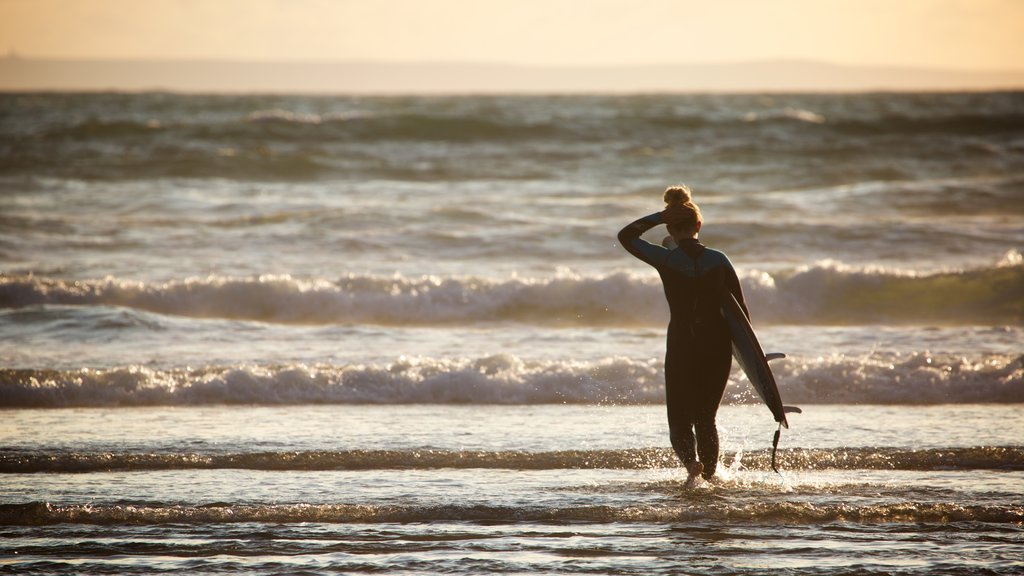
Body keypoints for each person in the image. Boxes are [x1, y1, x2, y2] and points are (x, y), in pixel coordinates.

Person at [617, 185, 749, 484]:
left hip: (682, 343)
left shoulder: (664, 260)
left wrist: (657, 216)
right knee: (706, 418)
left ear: (670, 227)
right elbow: (740, 313)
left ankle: (692, 466)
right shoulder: (719, 260)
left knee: (679, 420)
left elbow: (626, 236)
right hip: (717, 344)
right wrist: (749, 357)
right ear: (698, 225)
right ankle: (712, 478)